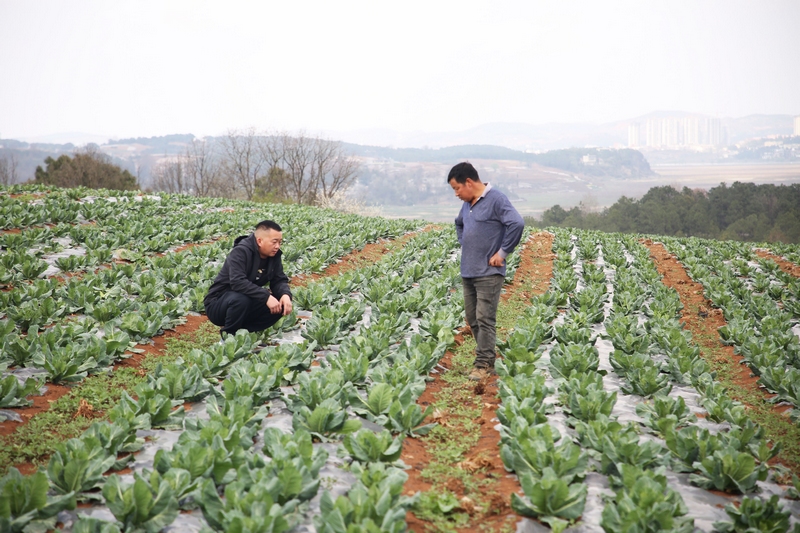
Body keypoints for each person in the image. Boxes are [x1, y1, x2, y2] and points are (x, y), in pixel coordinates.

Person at [448, 162, 524, 381]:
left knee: (484, 318)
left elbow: (516, 223)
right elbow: (459, 224)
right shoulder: (467, 204)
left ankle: (483, 364)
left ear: (469, 182)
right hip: (468, 271)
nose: (456, 193)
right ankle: (485, 357)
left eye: (457, 188)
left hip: (489, 272)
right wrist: (465, 242)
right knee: (472, 318)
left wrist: (502, 253)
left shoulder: (496, 199)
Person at [204, 219, 293, 337]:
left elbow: (279, 280)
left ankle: (243, 334)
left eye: (280, 242)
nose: (277, 246)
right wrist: (266, 297)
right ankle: (227, 337)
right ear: (260, 241)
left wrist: (285, 295)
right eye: (274, 242)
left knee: (280, 303)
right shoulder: (241, 252)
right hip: (218, 303)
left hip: (245, 301)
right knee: (240, 299)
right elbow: (237, 282)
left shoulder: (274, 256)